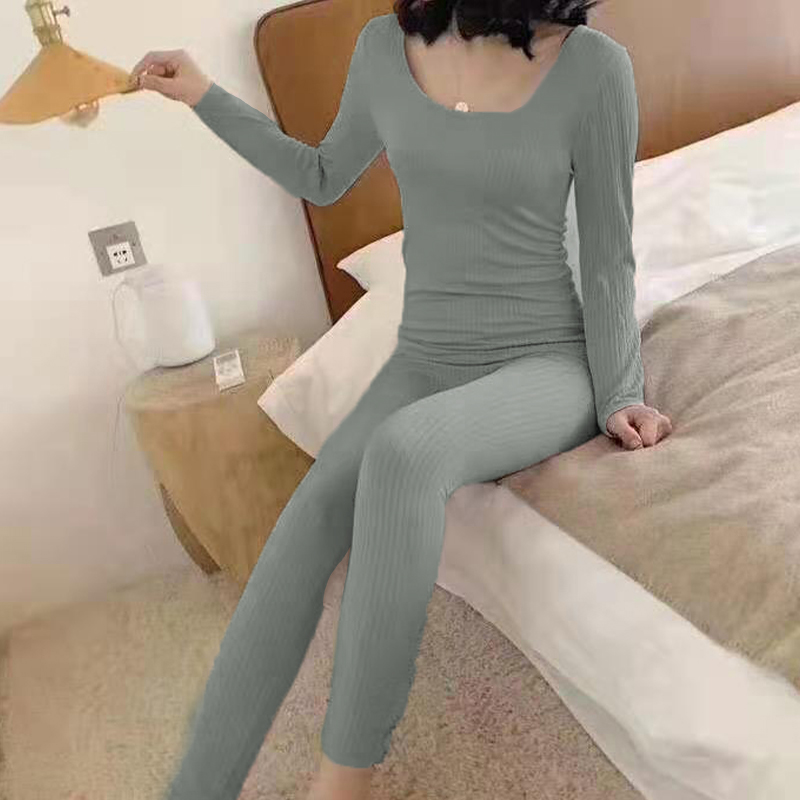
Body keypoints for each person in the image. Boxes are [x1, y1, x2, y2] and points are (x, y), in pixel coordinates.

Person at [132, 2, 672, 798]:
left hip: (546, 360)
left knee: (406, 450)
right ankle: (196, 787)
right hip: (424, 355)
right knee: (299, 537)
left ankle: (343, 785)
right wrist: (204, 95)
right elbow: (321, 176)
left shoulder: (594, 67)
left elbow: (607, 252)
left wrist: (621, 388)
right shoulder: (384, 47)